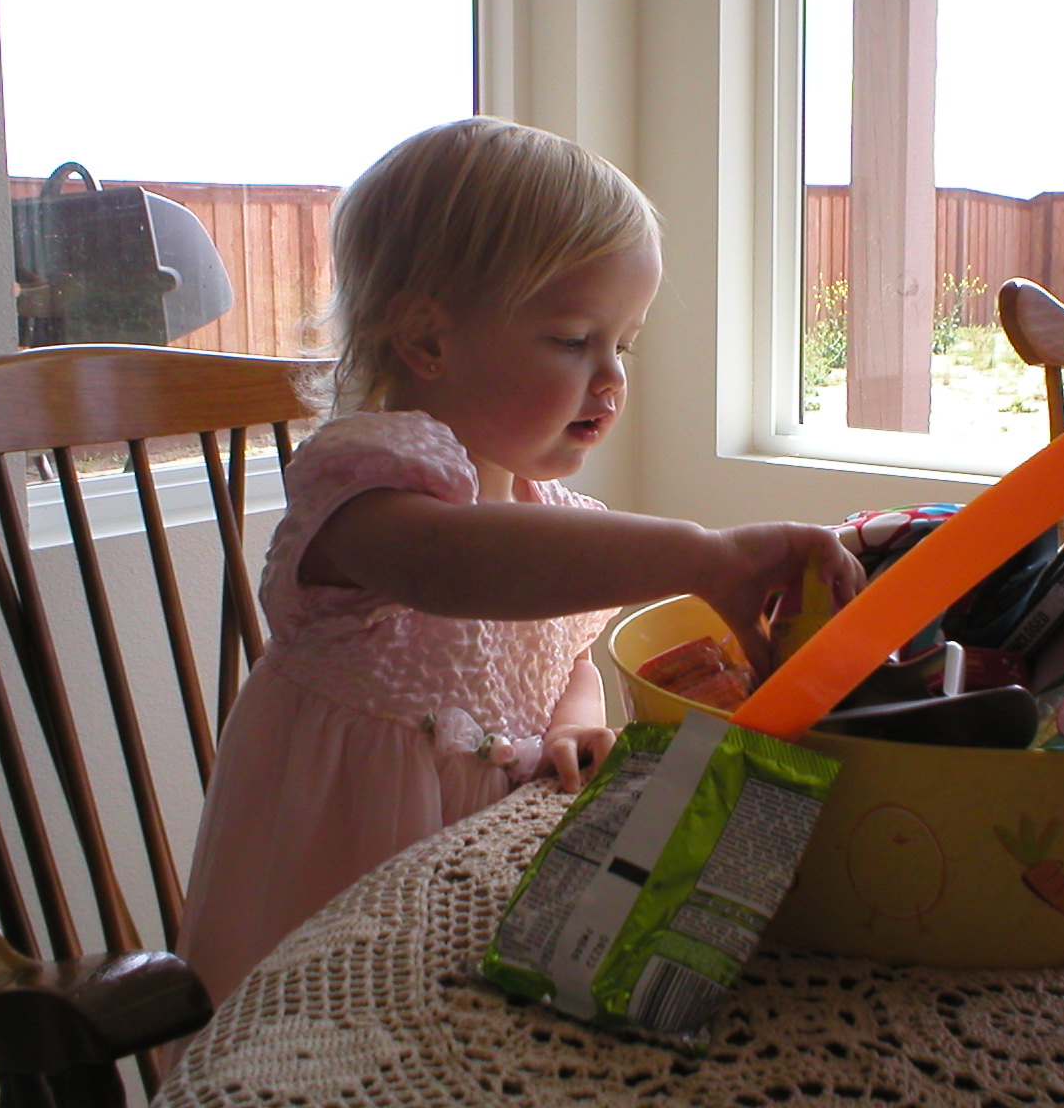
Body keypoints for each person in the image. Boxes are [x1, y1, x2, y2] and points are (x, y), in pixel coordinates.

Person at [173, 117, 865, 1016]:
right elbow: (451, 567)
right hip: (338, 865)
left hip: (480, 858)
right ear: (427, 341)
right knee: (339, 1027)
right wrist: (705, 556)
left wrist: (575, 722)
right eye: (574, 339)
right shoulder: (365, 485)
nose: (612, 378)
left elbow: (565, 654)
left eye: (623, 344)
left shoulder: (552, 521)